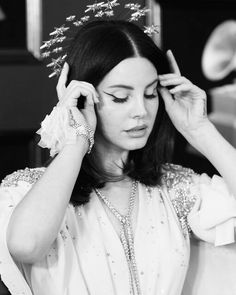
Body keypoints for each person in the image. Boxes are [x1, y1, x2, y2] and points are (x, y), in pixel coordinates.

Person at [0, 19, 236, 295]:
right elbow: (26, 246)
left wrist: (200, 130)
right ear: (82, 97)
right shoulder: (27, 191)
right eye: (121, 98)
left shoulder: (174, 188)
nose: (141, 111)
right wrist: (77, 139)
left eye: (150, 94)